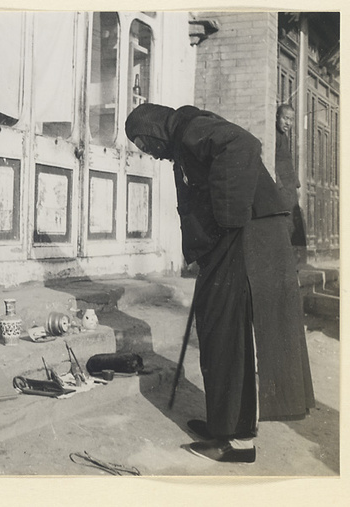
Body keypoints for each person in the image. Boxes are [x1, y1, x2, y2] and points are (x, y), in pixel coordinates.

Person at [125, 103, 314, 463]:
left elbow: (243, 144)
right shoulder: (186, 135)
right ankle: (224, 425)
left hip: (249, 233)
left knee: (227, 329)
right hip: (242, 233)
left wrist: (228, 220)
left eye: (144, 145)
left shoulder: (191, 127)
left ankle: (237, 440)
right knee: (218, 323)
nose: (149, 153)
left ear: (153, 130)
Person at [275, 104, 307, 264]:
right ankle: (285, 262)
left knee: (295, 224)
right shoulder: (274, 135)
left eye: (291, 119)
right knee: (285, 225)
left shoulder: (285, 138)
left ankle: (293, 263)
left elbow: (287, 162)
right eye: (285, 118)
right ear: (277, 117)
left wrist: (296, 184)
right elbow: (272, 163)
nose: (288, 123)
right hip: (282, 191)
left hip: (289, 189)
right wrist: (279, 186)